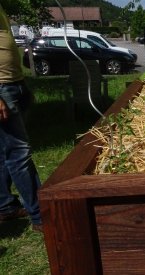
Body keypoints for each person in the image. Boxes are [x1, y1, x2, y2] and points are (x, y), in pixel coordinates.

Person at [0, 4, 42, 232]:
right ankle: (41, 214)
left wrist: (21, 85)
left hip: (13, 82)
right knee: (19, 153)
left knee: (5, 151)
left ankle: (5, 206)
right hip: (2, 87)